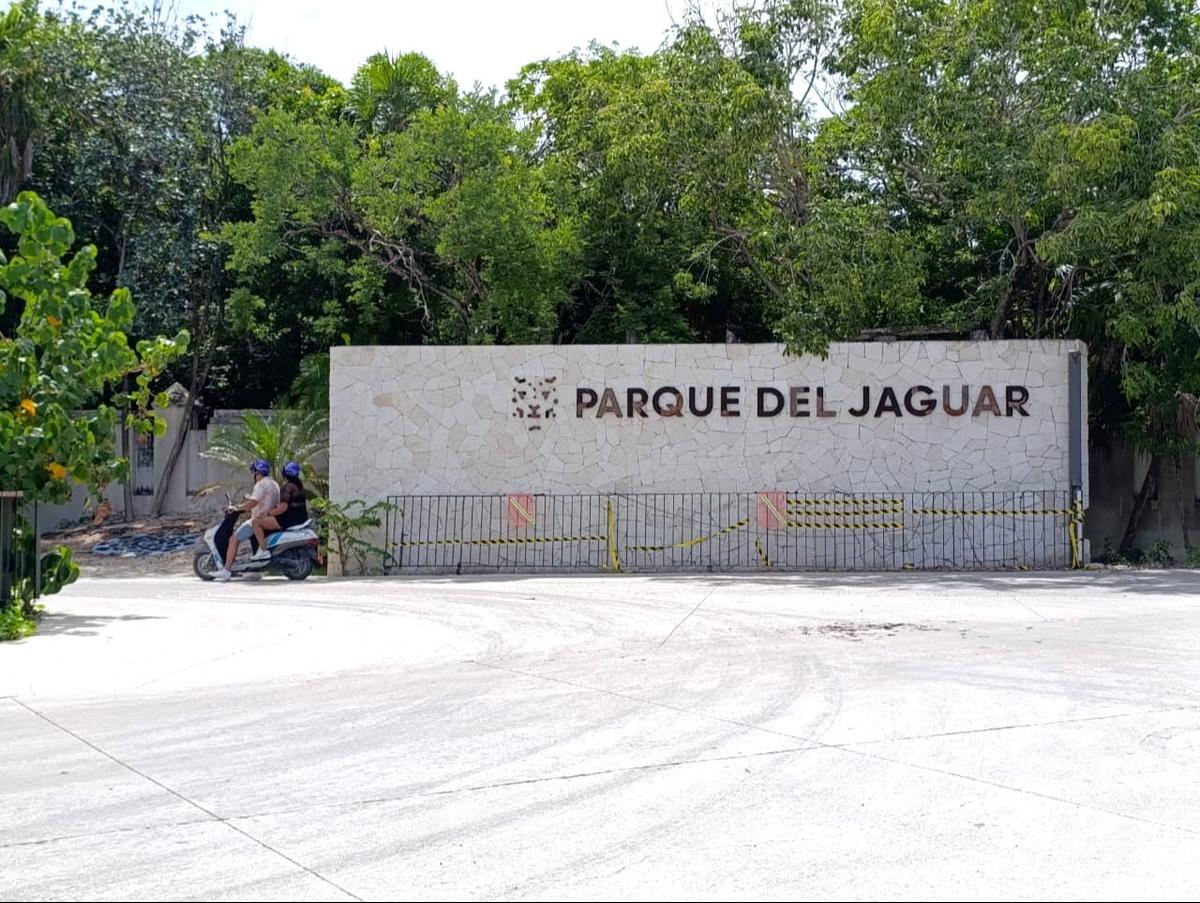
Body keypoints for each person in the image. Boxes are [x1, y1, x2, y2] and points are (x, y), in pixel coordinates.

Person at [213, 459, 280, 581]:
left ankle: (227, 570)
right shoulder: (274, 484)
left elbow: (253, 503)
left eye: (254, 473)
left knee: (234, 539)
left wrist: (237, 508)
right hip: (270, 518)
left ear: (258, 473)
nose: (254, 476)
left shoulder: (260, 485)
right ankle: (255, 570)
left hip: (258, 520)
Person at [250, 460, 309, 558]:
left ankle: (263, 551)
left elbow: (283, 508)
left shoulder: (288, 487)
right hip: (301, 517)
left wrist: (267, 514)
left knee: (256, 522)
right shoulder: (299, 486)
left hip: (289, 519)